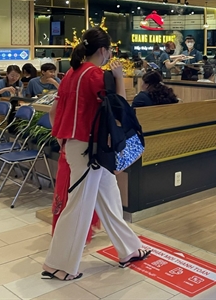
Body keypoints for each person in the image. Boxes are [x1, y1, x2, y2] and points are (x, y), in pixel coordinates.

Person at [42, 27, 149, 282]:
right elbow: (121, 110)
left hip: (78, 146)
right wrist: (120, 78)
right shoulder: (95, 76)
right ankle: (60, 265)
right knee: (79, 205)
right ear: (104, 50)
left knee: (109, 198)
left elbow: (55, 110)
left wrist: (62, 139)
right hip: (90, 149)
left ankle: (130, 249)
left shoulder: (71, 73)